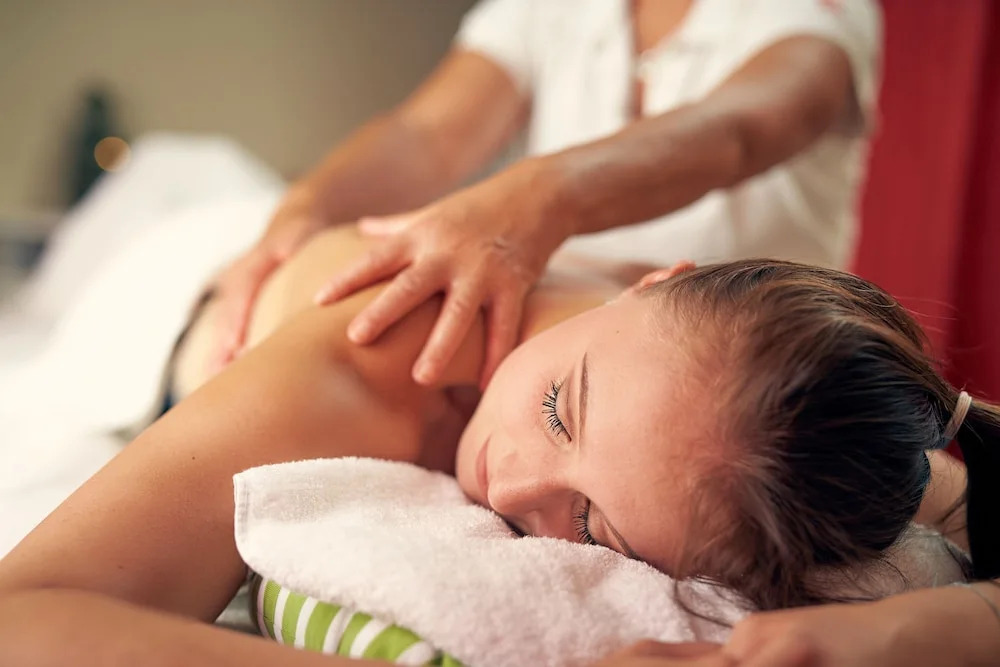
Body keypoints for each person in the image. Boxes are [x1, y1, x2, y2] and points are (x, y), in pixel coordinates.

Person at [0, 224, 995, 665]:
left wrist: (916, 631)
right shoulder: (384, 356)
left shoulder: (801, 435)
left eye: (591, 525)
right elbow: (23, 622)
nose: (511, 482)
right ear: (652, 282)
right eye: (559, 410)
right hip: (180, 295)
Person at [212, 0, 882, 389]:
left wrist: (535, 200)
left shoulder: (815, 13)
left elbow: (737, 132)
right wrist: (303, 209)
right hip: (546, 333)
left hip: (733, 382)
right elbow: (428, 135)